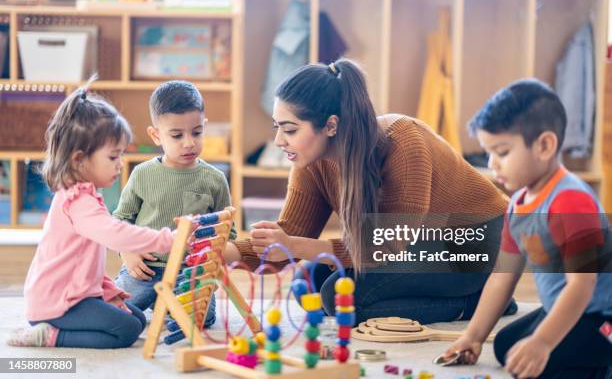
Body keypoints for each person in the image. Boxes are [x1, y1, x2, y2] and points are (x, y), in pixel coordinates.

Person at [225, 58, 516, 324]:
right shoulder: (311, 160)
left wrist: (297, 246)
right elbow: (290, 233)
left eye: (290, 130)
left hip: (478, 242)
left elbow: (387, 244)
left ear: (330, 125)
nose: (278, 140)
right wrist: (225, 253)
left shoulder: (402, 143)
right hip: (419, 242)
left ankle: (479, 302)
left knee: (341, 300)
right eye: (277, 127)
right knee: (309, 285)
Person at [443, 79, 612, 378]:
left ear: (544, 146)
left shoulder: (570, 201)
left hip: (600, 317)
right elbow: (501, 278)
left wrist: (543, 342)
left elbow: (581, 287)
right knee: (508, 348)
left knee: (541, 361)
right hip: (565, 308)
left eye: (503, 152)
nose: (493, 164)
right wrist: (473, 336)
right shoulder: (519, 203)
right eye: (489, 152)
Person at [7, 78, 175, 349]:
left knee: (135, 318)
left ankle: (57, 328)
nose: (120, 164)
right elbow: (116, 235)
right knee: (128, 330)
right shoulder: (78, 202)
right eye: (113, 157)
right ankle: (50, 335)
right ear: (79, 159)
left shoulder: (83, 194)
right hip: (57, 304)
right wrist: (169, 239)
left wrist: (108, 292)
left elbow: (84, 264)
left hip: (73, 295)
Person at [114, 80, 237, 328]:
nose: (189, 142)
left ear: (205, 127)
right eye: (177, 135)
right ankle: (157, 301)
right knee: (114, 312)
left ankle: (166, 305)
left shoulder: (215, 179)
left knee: (197, 320)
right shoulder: (142, 174)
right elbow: (119, 220)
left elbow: (229, 233)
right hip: (145, 269)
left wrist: (209, 260)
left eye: (197, 132)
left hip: (189, 273)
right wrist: (128, 252)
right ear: (156, 135)